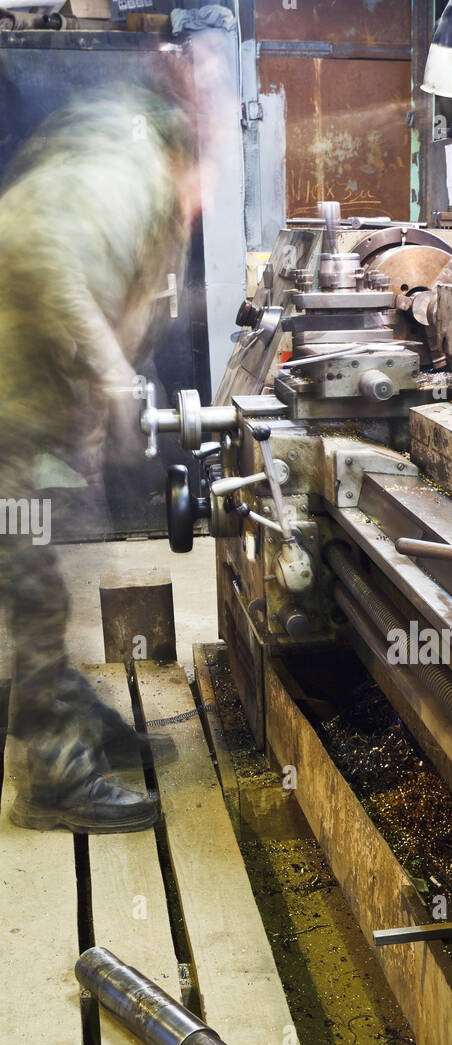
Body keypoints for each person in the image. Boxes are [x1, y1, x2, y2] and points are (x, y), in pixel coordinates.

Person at [0, 73, 203, 831]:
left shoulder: (124, 173)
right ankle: (52, 778)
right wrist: (112, 381)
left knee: (39, 565)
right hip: (7, 416)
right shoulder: (125, 175)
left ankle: (67, 711)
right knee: (31, 582)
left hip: (28, 411)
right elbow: (43, 256)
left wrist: (89, 413)